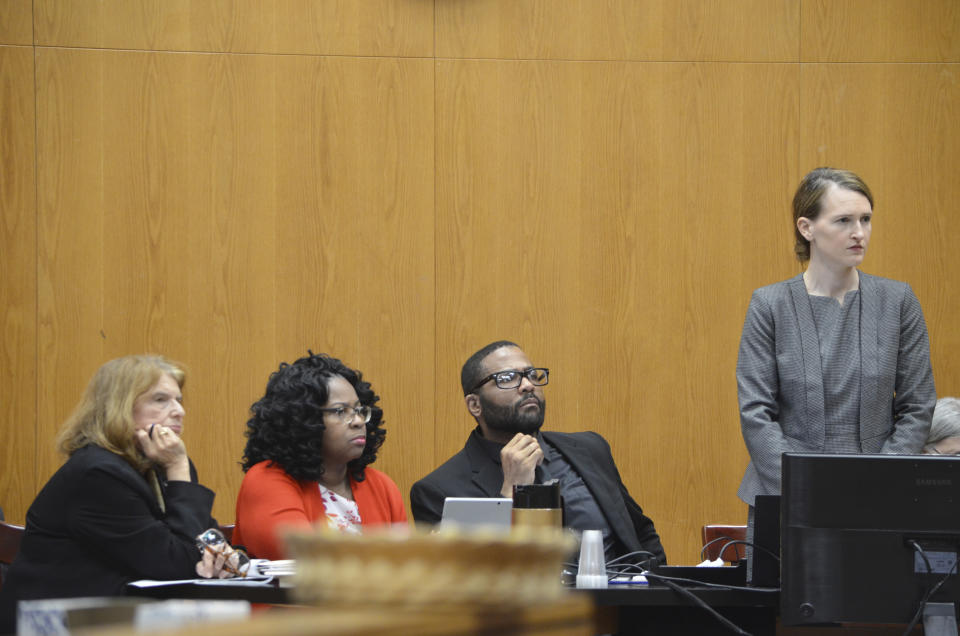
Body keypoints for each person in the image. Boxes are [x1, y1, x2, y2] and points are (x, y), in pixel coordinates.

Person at [737, 167, 936, 510]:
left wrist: (880, 480)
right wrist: (803, 486)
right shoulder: (770, 305)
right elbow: (756, 413)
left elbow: (917, 406)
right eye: (843, 221)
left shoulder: (898, 301)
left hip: (880, 497)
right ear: (807, 228)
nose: (859, 233)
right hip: (788, 495)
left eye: (866, 219)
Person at [0, 355, 227, 633]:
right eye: (160, 399)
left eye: (178, 399)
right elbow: (178, 563)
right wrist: (179, 468)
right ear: (119, 407)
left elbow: (203, 540)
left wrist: (227, 556)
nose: (179, 410)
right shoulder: (97, 474)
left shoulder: (157, 463)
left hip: (118, 614)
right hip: (59, 623)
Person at [410, 341, 666, 567]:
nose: (527, 385)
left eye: (531, 374)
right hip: (531, 618)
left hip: (622, 611)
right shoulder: (438, 491)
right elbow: (470, 580)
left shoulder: (590, 449)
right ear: (474, 404)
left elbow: (641, 534)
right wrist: (512, 490)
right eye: (508, 378)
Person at [232, 352, 406, 560]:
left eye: (360, 410)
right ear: (303, 419)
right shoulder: (265, 480)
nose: (359, 421)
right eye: (341, 411)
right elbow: (304, 558)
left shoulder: (381, 486)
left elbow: (404, 565)